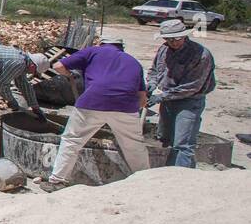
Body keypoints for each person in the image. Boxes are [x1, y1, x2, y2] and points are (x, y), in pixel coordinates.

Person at [36, 35, 150, 191]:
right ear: (121, 47)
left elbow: (58, 66)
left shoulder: (93, 51)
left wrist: (69, 75)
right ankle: (145, 180)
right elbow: (142, 100)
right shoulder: (134, 62)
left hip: (92, 101)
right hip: (126, 106)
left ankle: (57, 180)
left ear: (101, 43)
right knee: (134, 144)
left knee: (72, 140)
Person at [146, 19, 215, 168]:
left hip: (189, 102)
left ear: (184, 36)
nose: (173, 43)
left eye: (177, 39)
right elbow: (155, 70)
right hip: (167, 100)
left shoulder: (201, 55)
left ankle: (180, 175)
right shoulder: (164, 50)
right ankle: (168, 171)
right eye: (169, 39)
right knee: (165, 138)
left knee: (183, 144)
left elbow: (192, 86)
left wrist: (161, 96)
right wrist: (151, 83)